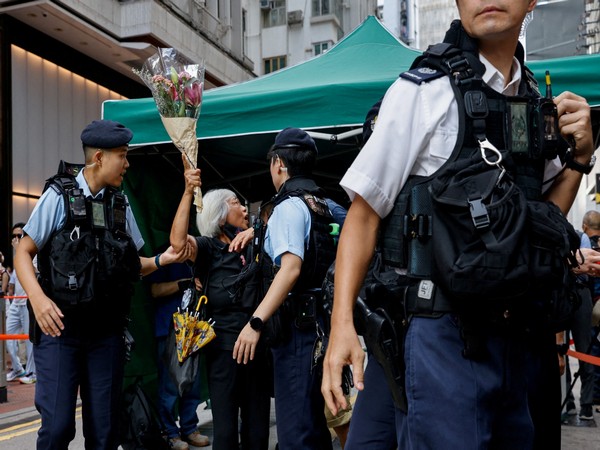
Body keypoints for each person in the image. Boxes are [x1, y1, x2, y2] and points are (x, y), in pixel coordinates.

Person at [321, 1, 595, 449]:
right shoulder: (422, 91)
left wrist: (580, 159)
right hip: (441, 331)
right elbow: (364, 213)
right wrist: (341, 329)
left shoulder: (533, 100)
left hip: (516, 335)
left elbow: (541, 220)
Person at [14, 119, 191, 450]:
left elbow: (133, 265)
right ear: (98, 157)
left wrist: (161, 261)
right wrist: (38, 300)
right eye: (122, 155)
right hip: (60, 331)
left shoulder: (120, 205)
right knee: (57, 429)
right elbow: (23, 251)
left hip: (106, 334)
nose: (127, 163)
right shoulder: (58, 196)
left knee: (105, 432)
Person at [232, 127, 337, 450]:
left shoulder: (288, 207)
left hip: (294, 329)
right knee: (312, 425)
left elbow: (290, 269)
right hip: (317, 324)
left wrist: (255, 322)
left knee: (295, 433)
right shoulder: (322, 203)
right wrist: (260, 231)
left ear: (279, 164)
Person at [170, 158, 271, 450]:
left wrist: (256, 232)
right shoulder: (208, 247)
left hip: (257, 346)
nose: (243, 208)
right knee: (225, 432)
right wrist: (189, 192)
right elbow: (177, 244)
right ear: (220, 212)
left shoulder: (255, 242)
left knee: (258, 431)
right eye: (236, 203)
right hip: (223, 351)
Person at [148, 259, 208, 449]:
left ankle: (190, 427)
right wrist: (183, 283)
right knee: (170, 385)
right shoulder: (165, 254)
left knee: (192, 381)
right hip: (169, 327)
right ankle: (169, 432)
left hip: (193, 325)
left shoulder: (195, 253)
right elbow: (155, 290)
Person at [5, 223, 36, 384]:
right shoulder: (17, 256)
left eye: (19, 236)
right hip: (16, 303)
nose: (16, 239)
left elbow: (33, 271)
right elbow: (12, 282)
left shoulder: (30, 253)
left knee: (30, 339)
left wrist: (19, 251)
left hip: (27, 302)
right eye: (13, 236)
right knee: (8, 336)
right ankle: (18, 369)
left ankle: (32, 372)